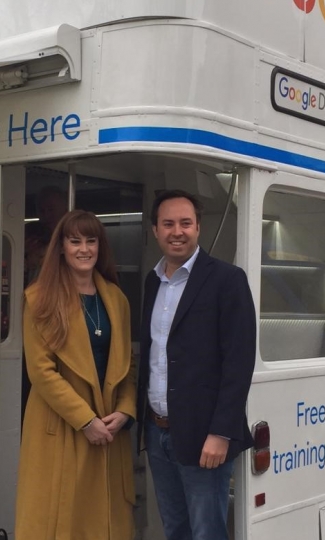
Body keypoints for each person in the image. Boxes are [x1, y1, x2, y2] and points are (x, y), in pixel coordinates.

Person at [138, 190, 256, 540]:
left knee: (207, 532)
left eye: (185, 223)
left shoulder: (226, 280)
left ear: (198, 228)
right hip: (158, 433)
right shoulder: (152, 281)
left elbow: (239, 362)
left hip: (204, 436)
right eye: (168, 223)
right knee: (175, 529)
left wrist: (221, 432)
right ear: (155, 231)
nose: (178, 231)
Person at [16, 209, 137, 540]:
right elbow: (41, 372)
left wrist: (126, 410)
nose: (84, 249)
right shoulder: (38, 299)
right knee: (61, 523)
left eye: (91, 241)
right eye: (75, 241)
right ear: (61, 248)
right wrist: (86, 420)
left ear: (100, 246)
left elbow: (128, 365)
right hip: (63, 427)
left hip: (109, 429)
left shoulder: (116, 299)